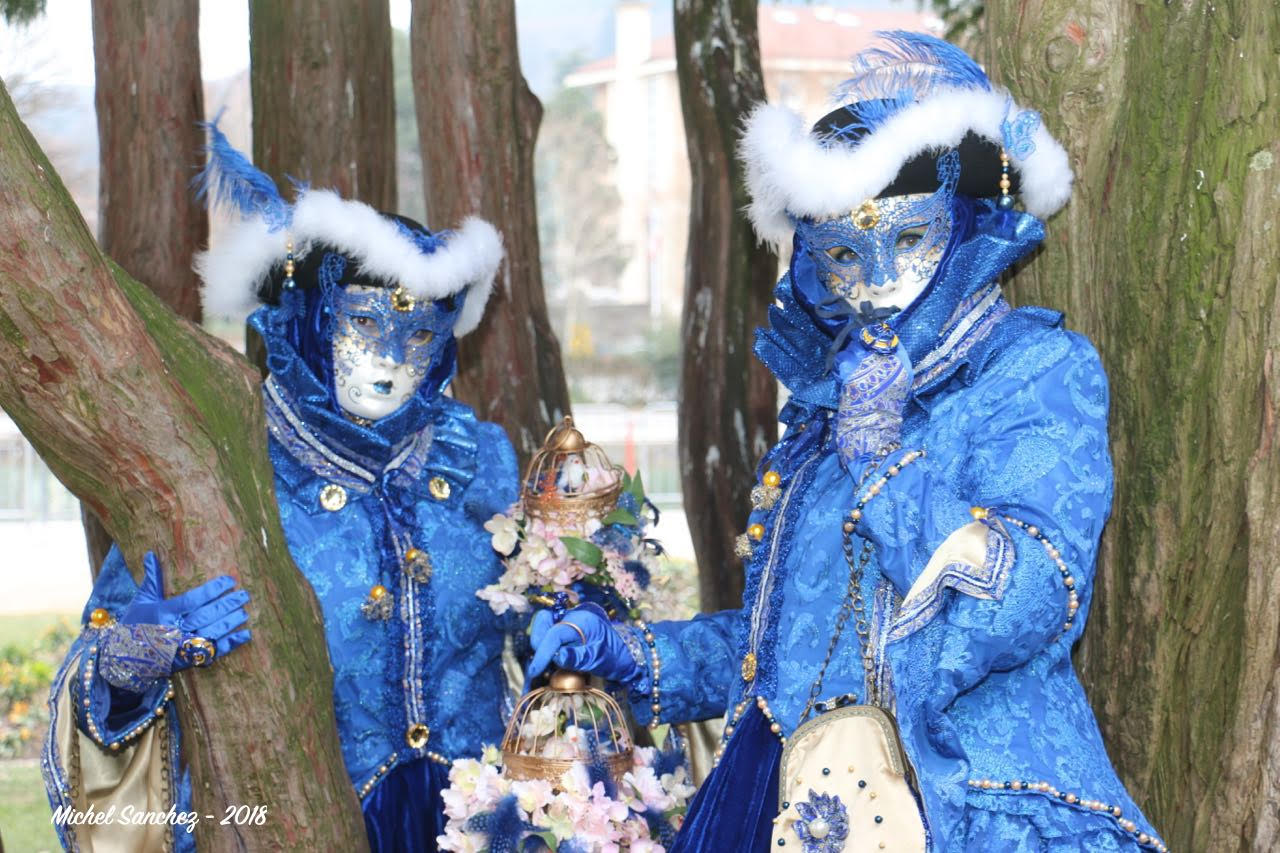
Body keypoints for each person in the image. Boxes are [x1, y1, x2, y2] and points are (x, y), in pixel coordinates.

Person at [527, 32, 1168, 852]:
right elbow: (780, 656)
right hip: (780, 800)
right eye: (840, 255)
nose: (874, 282)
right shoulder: (820, 418)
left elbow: (1026, 597)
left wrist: (885, 461)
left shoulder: (1031, 372)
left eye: (907, 239)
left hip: (958, 801)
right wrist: (633, 655)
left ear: (966, 222)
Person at [42, 126, 518, 852]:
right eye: (363, 322)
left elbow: (543, 647)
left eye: (419, 333)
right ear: (311, 320)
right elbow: (99, 665)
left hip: (481, 830)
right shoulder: (231, 465)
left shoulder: (479, 456)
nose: (391, 356)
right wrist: (127, 665)